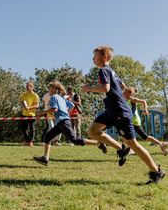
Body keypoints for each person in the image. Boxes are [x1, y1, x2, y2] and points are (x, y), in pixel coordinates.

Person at [82, 45, 165, 184]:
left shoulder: (104, 70)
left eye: (95, 56)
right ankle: (121, 148)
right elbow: (121, 85)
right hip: (111, 112)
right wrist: (123, 92)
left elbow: (105, 88)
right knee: (92, 131)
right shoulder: (111, 71)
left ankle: (156, 171)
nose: (93, 59)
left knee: (134, 144)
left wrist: (88, 88)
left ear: (104, 57)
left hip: (120, 112)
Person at [33, 80, 100, 166]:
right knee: (48, 137)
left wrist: (41, 112)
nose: (48, 90)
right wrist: (66, 113)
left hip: (63, 122)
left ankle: (98, 143)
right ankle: (45, 158)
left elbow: (54, 109)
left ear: (53, 89)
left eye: (49, 89)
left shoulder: (53, 98)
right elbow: (71, 105)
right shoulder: (61, 98)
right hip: (62, 122)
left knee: (75, 140)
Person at [123, 87, 168, 156]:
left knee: (145, 137)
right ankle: (130, 149)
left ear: (129, 94)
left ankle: (161, 144)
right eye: (123, 92)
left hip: (134, 121)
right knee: (125, 135)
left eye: (125, 93)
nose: (123, 93)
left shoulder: (132, 99)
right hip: (129, 121)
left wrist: (145, 109)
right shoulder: (124, 99)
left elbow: (144, 101)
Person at [19, 81, 39, 147]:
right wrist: (23, 106)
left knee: (32, 129)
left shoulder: (35, 95)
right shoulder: (24, 94)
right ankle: (26, 141)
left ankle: (30, 142)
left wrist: (29, 107)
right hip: (24, 114)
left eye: (29, 86)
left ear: (32, 87)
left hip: (32, 115)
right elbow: (21, 101)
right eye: (26, 86)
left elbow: (37, 106)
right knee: (24, 129)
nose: (27, 87)